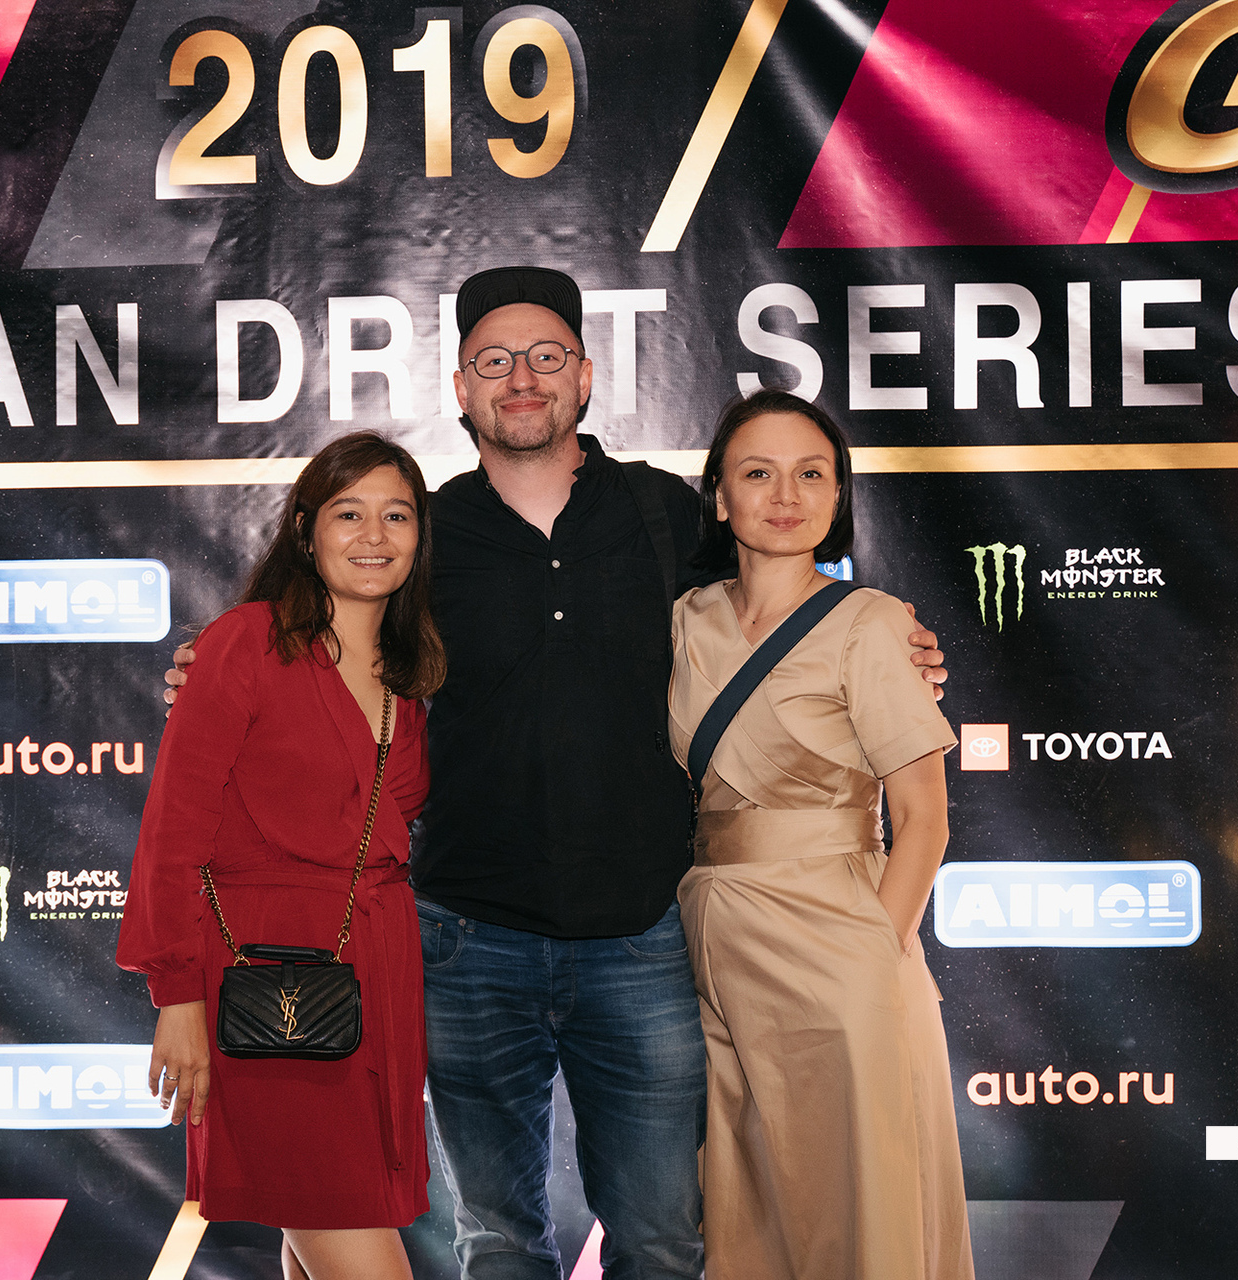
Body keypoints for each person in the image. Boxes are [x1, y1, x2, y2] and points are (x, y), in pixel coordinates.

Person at [169, 266, 947, 1280]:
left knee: (663, 1241)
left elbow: (783, 600)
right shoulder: (422, 535)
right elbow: (323, 638)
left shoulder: (666, 514)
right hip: (466, 941)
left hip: (644, 940)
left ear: (584, 376)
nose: (522, 378)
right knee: (497, 1242)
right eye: (495, 361)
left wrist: (896, 642)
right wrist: (213, 665)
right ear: (461, 388)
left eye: (545, 356)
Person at [118, 431, 446, 1280]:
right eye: (348, 513)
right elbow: (174, 830)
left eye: (397, 516)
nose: (374, 536)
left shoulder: (411, 671)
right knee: (348, 1234)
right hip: (268, 984)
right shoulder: (247, 641)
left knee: (324, 1233)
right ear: (305, 529)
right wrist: (177, 995)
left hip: (373, 974)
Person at [667, 389, 973, 1279]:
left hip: (840, 935)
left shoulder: (874, 622)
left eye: (811, 474)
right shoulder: (683, 621)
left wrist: (875, 953)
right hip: (713, 935)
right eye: (757, 473)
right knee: (749, 1207)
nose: (785, 495)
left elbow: (924, 820)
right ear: (719, 495)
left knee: (861, 1201)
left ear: (838, 495)